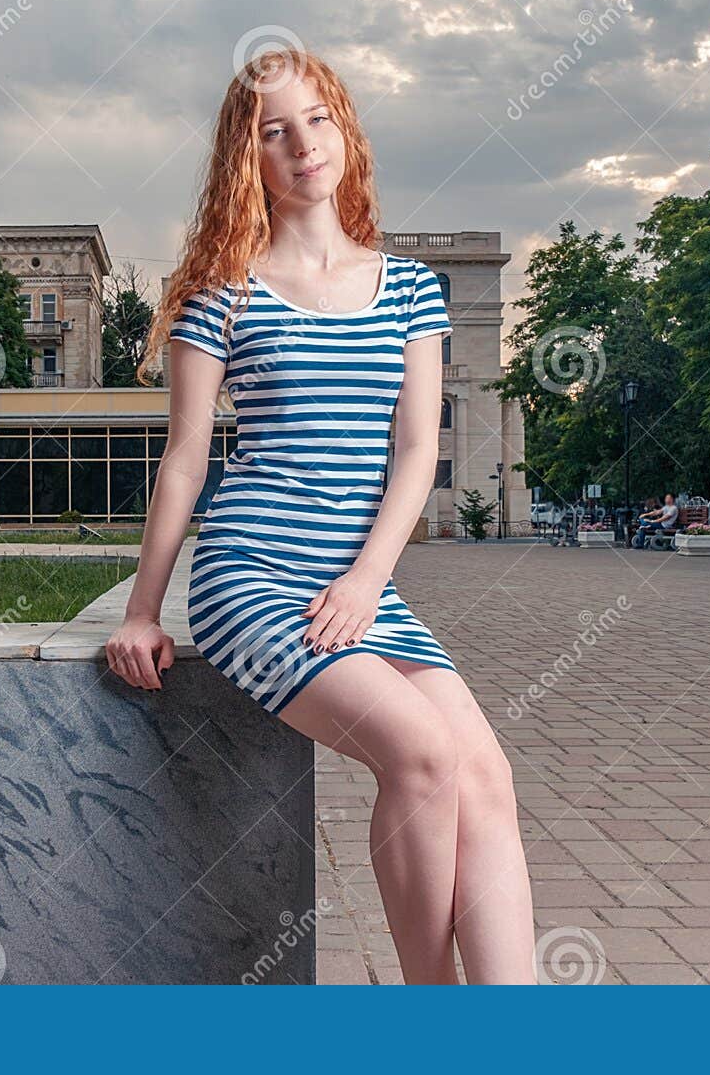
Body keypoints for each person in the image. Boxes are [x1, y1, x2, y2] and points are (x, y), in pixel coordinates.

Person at [103, 48, 534, 985]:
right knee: (421, 759)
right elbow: (185, 459)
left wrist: (369, 576)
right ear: (245, 157)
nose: (303, 143)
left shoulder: (412, 289)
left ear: (345, 130)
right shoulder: (217, 290)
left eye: (319, 119)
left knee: (487, 776)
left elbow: (416, 452)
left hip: (355, 582)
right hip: (253, 578)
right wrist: (141, 610)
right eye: (274, 129)